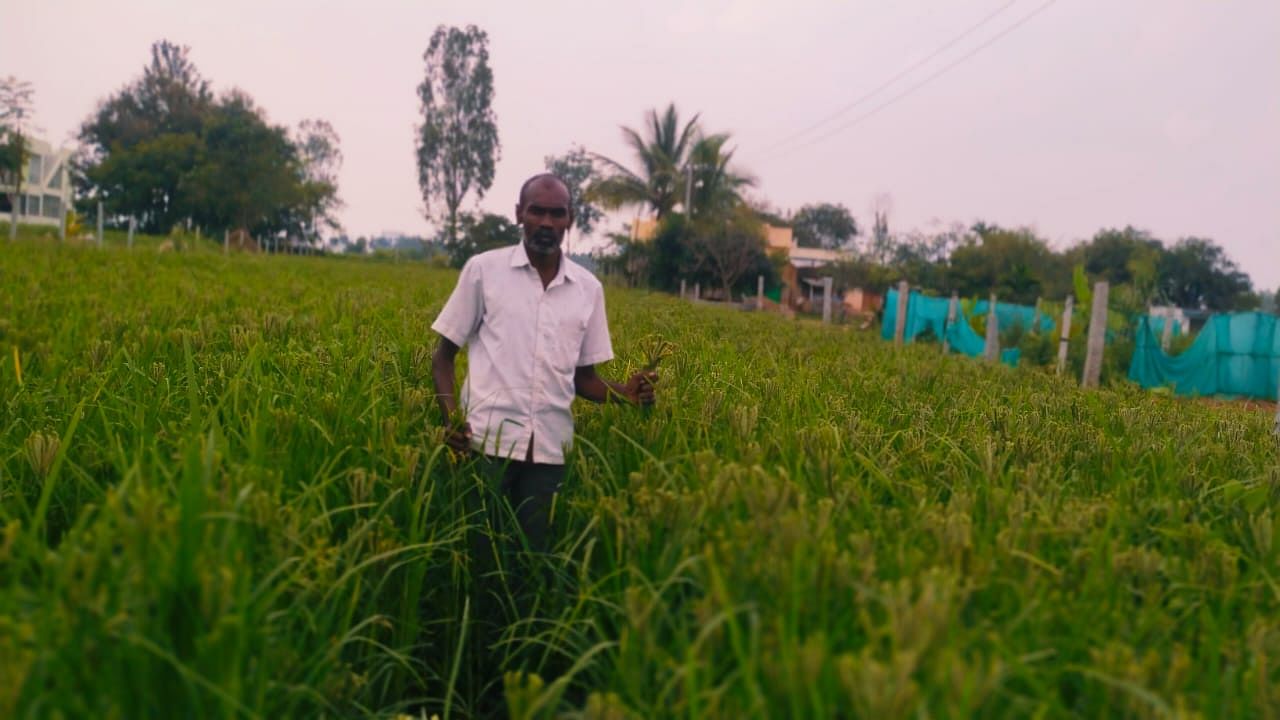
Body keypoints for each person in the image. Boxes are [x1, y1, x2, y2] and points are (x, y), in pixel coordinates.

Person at [430, 172, 657, 557]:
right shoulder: (484, 271)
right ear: (520, 213)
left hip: (549, 454)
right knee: (479, 558)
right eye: (537, 211)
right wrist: (452, 419)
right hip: (486, 445)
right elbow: (443, 359)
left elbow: (584, 380)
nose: (547, 223)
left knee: (533, 563)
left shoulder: (588, 290)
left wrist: (626, 395)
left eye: (557, 214)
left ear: (570, 220)